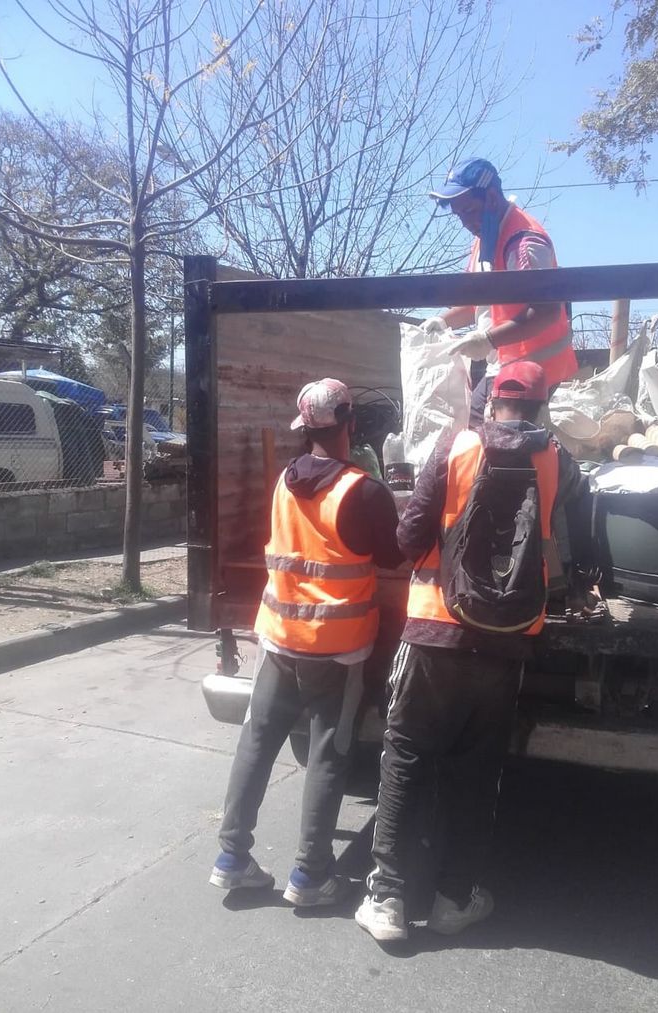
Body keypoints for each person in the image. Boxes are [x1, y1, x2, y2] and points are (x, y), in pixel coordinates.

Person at [355, 361, 583, 942]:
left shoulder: (456, 448)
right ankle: (455, 897)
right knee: (477, 771)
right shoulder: (557, 459)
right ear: (539, 405)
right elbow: (567, 539)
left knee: (405, 757)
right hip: (509, 641)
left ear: (489, 400)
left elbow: (408, 541)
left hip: (437, 629)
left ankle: (387, 902)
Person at [210, 378, 403, 908]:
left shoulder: (283, 483)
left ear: (305, 428)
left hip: (277, 639)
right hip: (337, 651)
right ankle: (310, 876)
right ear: (351, 426)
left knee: (257, 742)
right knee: (328, 756)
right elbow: (392, 557)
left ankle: (230, 858)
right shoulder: (363, 491)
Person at [430, 157, 578, 394]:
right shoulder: (484, 239)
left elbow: (546, 312)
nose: (465, 222)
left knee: (491, 430)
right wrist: (443, 321)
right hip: (503, 367)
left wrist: (487, 340)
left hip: (536, 373)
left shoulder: (524, 243)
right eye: (459, 215)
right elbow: (477, 304)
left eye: (469, 211)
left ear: (491, 197)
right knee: (473, 427)